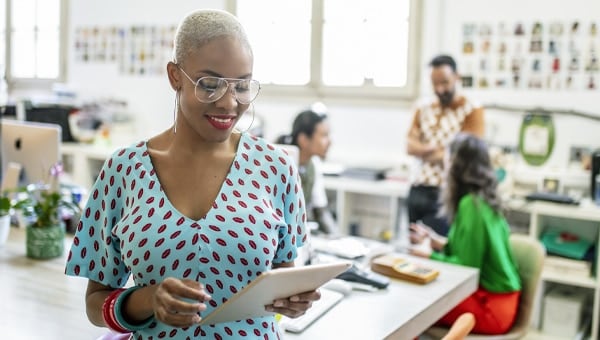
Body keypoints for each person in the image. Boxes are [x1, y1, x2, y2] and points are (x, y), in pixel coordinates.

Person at [65, 9, 318, 339]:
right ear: (175, 76)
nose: (229, 103)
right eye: (209, 84)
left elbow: (285, 275)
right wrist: (146, 299)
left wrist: (294, 301)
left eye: (241, 86)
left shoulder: (276, 167)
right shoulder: (123, 171)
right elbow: (94, 305)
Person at [409, 132, 521, 335]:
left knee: (413, 307)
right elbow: (469, 249)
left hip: (491, 307)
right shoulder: (482, 200)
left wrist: (428, 255)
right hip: (499, 300)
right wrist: (436, 242)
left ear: (455, 164)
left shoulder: (471, 206)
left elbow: (467, 269)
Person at [406, 54, 485, 236]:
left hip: (447, 192)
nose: (439, 89)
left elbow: (465, 156)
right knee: (415, 249)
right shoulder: (422, 107)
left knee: (438, 252)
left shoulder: (472, 109)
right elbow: (409, 146)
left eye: (444, 83)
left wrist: (424, 150)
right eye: (434, 84)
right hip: (418, 187)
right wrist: (435, 149)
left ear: (457, 77)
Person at [276, 108, 338, 235]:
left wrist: (337, 238)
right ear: (304, 139)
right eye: (324, 136)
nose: (329, 142)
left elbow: (321, 210)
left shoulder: (313, 166)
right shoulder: (280, 163)